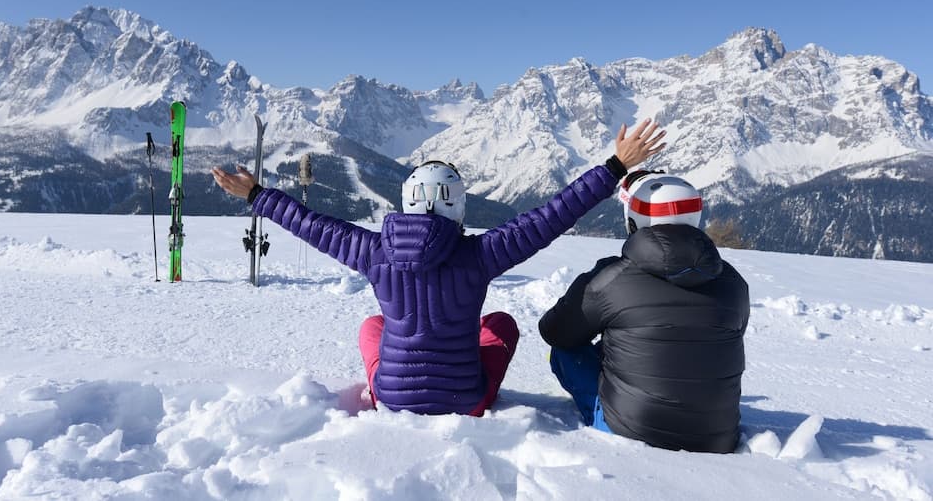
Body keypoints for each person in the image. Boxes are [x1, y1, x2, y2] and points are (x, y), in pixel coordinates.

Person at [212, 119, 665, 416]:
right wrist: (614, 167)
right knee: (501, 324)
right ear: (459, 206)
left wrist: (256, 195)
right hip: (466, 400)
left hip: (391, 398)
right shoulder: (482, 253)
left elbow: (313, 226)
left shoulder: (374, 251)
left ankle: (386, 381)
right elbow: (551, 216)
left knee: (373, 326)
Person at [538, 170, 750, 452]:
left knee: (564, 352)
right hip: (718, 436)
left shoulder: (612, 278)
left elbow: (555, 331)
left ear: (633, 220)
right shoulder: (734, 283)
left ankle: (602, 415)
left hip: (631, 431)